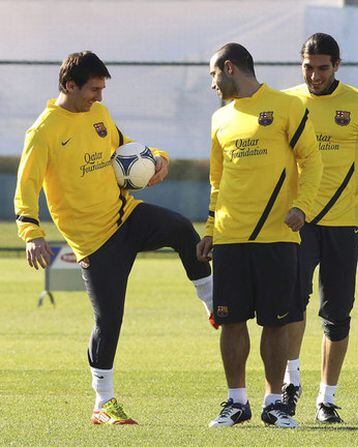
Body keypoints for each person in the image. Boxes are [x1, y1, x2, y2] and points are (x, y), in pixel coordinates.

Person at [14, 51, 214, 425]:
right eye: (94, 89)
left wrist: (157, 157)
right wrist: (31, 234)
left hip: (127, 215)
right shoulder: (43, 132)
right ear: (69, 86)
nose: (100, 97)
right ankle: (103, 403)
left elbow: (128, 147)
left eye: (102, 88)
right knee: (109, 321)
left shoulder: (99, 116)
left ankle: (211, 300)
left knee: (180, 228)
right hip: (94, 242)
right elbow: (26, 188)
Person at [282, 33, 358, 423]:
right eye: (308, 67)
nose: (314, 75)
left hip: (344, 223)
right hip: (298, 222)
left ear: (337, 65)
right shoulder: (287, 103)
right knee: (290, 307)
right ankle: (290, 387)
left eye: (322, 67)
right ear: (300, 64)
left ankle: (326, 398)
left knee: (337, 314)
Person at [197, 43, 322, 429]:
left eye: (214, 75)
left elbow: (312, 160)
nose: (213, 85)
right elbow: (217, 182)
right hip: (230, 238)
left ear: (230, 67)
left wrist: (303, 206)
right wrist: (209, 230)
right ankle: (236, 402)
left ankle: (274, 403)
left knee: (276, 322)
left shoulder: (286, 106)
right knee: (231, 322)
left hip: (277, 236)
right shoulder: (220, 119)